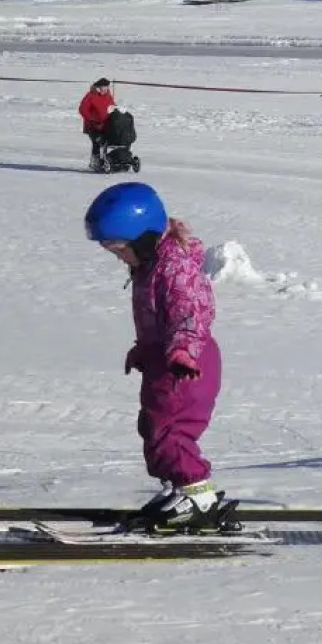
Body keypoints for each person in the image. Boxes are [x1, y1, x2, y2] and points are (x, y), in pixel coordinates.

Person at [84, 182, 231, 532]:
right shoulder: (150, 267)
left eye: (120, 249)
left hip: (187, 364)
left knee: (171, 432)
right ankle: (180, 489)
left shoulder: (174, 269)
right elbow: (156, 320)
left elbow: (190, 314)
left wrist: (182, 351)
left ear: (144, 238)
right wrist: (143, 350)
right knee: (153, 427)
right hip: (164, 359)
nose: (119, 257)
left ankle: (198, 496)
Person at [79, 78, 116, 169]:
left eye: (107, 87)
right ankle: (95, 162)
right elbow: (82, 109)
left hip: (106, 125)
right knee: (97, 142)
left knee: (110, 142)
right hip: (93, 126)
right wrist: (91, 119)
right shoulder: (91, 96)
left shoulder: (108, 96)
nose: (106, 89)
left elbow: (112, 107)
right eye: (104, 87)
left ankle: (108, 160)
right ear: (98, 87)